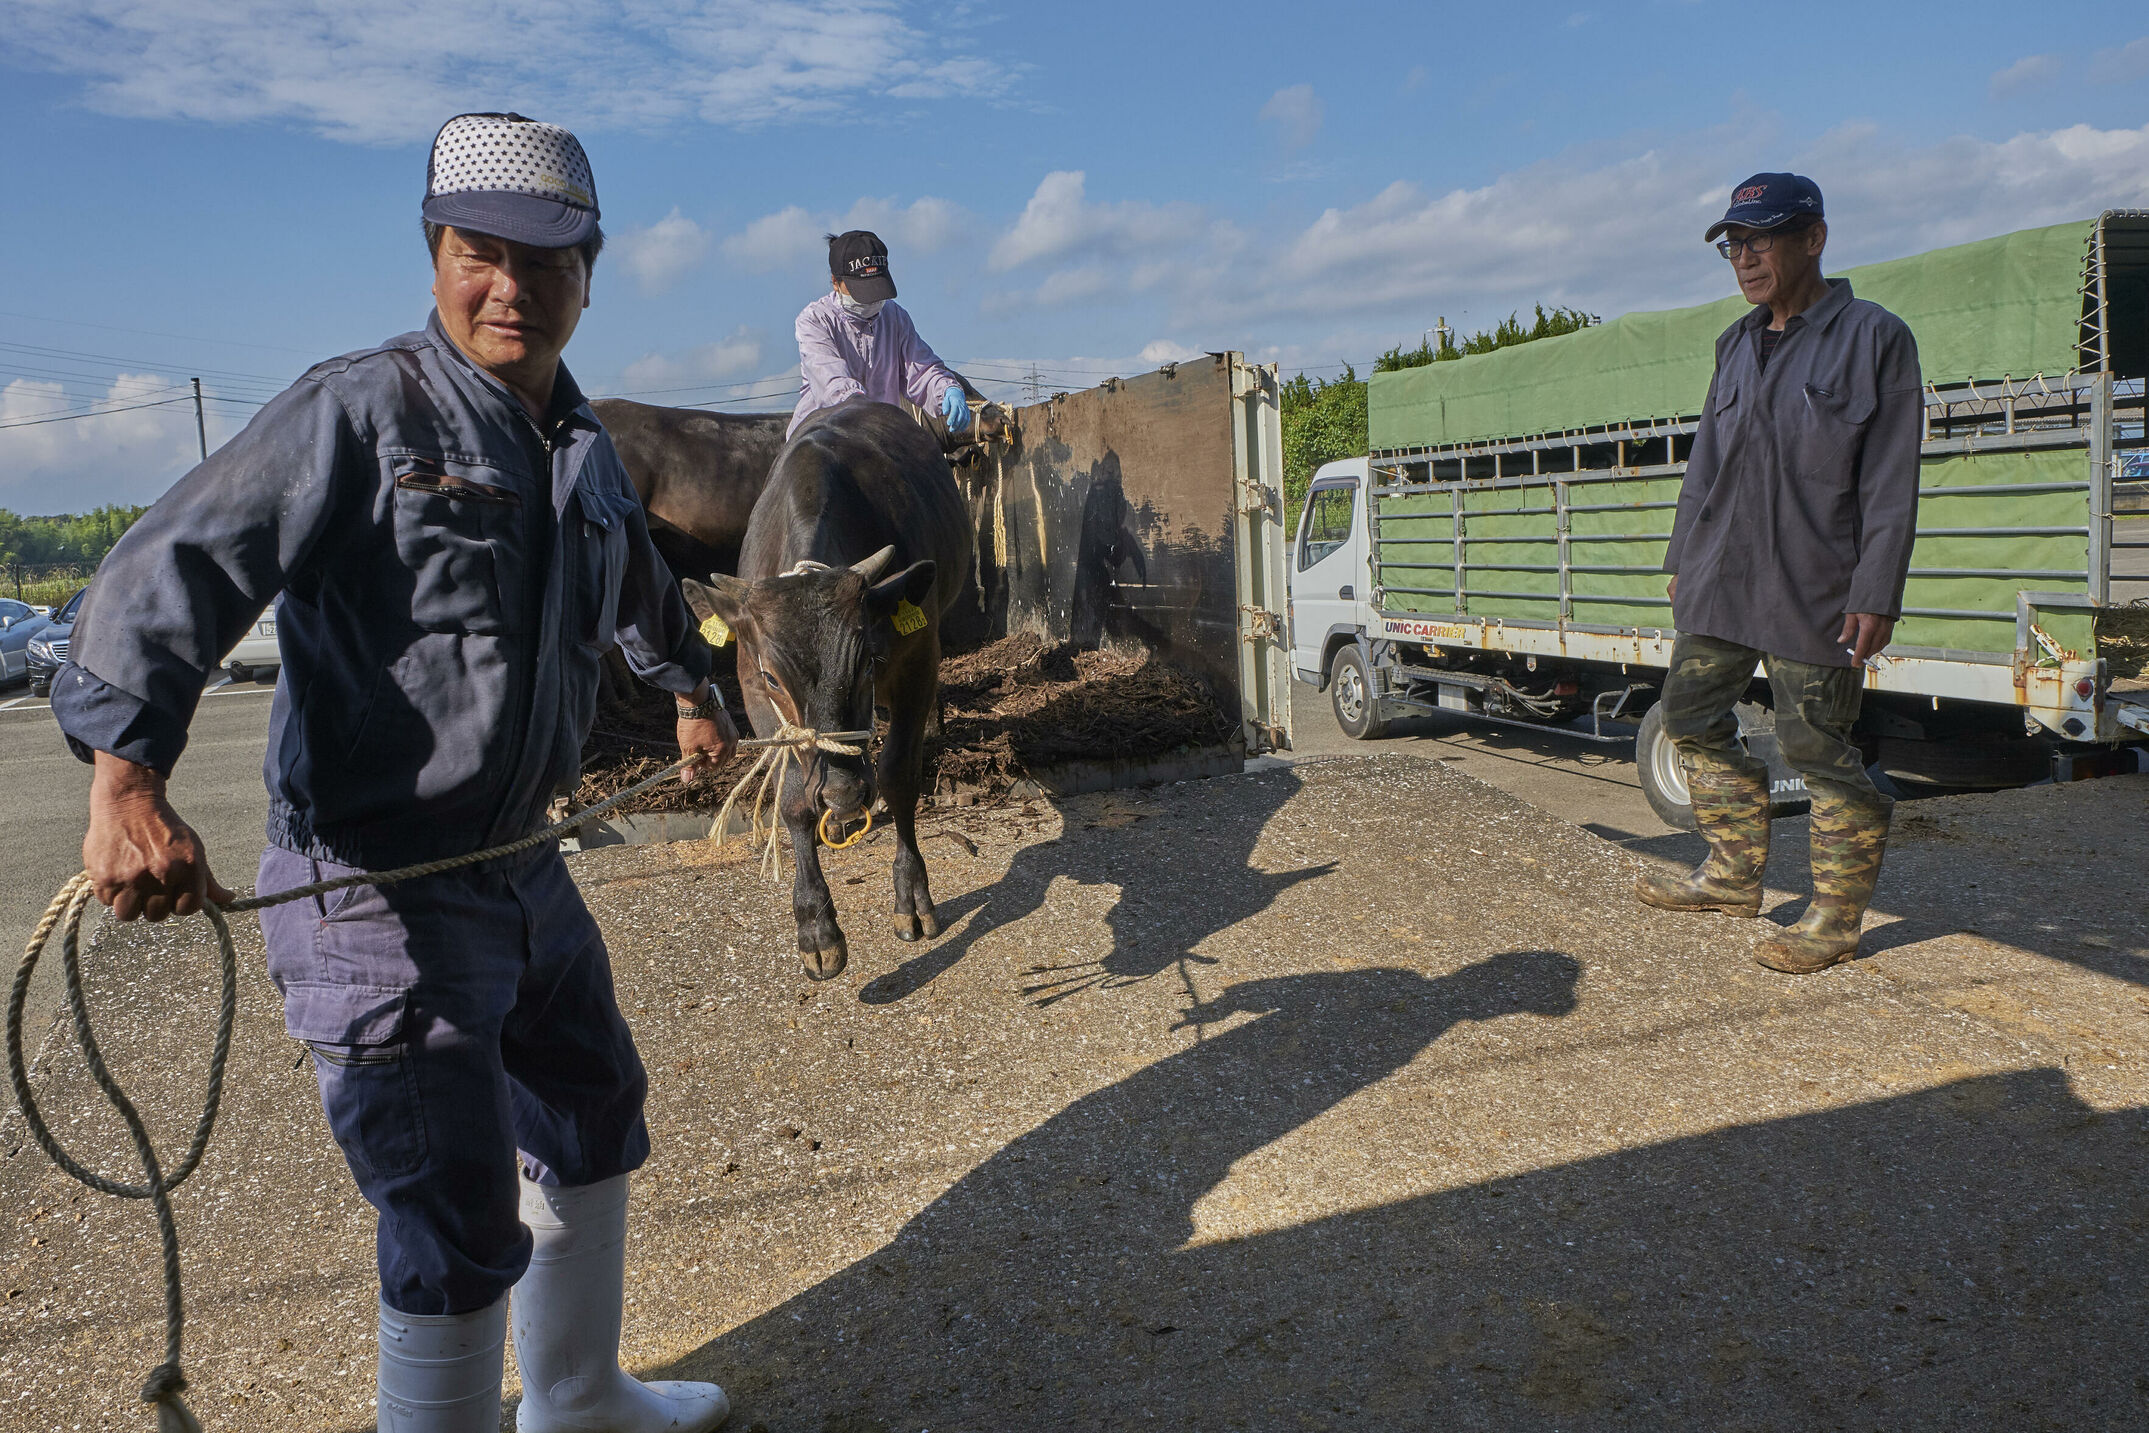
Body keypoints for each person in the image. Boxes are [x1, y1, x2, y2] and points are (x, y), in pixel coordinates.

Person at [52, 112, 740, 1432]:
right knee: (451, 1207)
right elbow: (177, 565)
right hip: (371, 887)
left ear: (589, 272)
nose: (512, 287)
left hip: (519, 863)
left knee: (594, 1099)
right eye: (480, 252)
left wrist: (696, 694)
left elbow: (644, 591)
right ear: (433, 253)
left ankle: (580, 1393)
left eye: (547, 261)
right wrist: (125, 782)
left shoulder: (580, 449)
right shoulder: (363, 413)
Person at [1642, 172, 1922, 976]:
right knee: (1687, 714)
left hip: (1817, 584)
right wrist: (1680, 559)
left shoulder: (1874, 337)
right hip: (1720, 579)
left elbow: (1890, 479)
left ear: (1813, 238)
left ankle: (1833, 919)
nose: (1743, 257)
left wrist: (1876, 590)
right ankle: (1732, 876)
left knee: (1816, 746)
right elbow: (1705, 465)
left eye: (1760, 238)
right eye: (1733, 243)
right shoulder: (1734, 344)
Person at [789, 229, 971, 439]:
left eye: (876, 291)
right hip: (824, 435)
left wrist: (946, 390)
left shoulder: (895, 317)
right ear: (835, 282)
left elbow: (921, 370)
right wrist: (858, 405)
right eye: (862, 292)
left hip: (880, 435)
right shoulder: (815, 319)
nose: (871, 301)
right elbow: (831, 381)